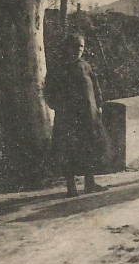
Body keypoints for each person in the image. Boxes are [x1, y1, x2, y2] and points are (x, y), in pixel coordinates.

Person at [44, 33, 110, 197]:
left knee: (88, 148)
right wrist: (60, 107)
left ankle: (90, 183)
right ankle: (71, 187)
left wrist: (99, 106)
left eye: (81, 46)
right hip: (68, 118)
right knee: (68, 151)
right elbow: (49, 92)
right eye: (75, 46)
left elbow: (95, 87)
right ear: (67, 48)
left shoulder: (85, 66)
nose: (78, 50)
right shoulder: (58, 68)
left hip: (88, 116)